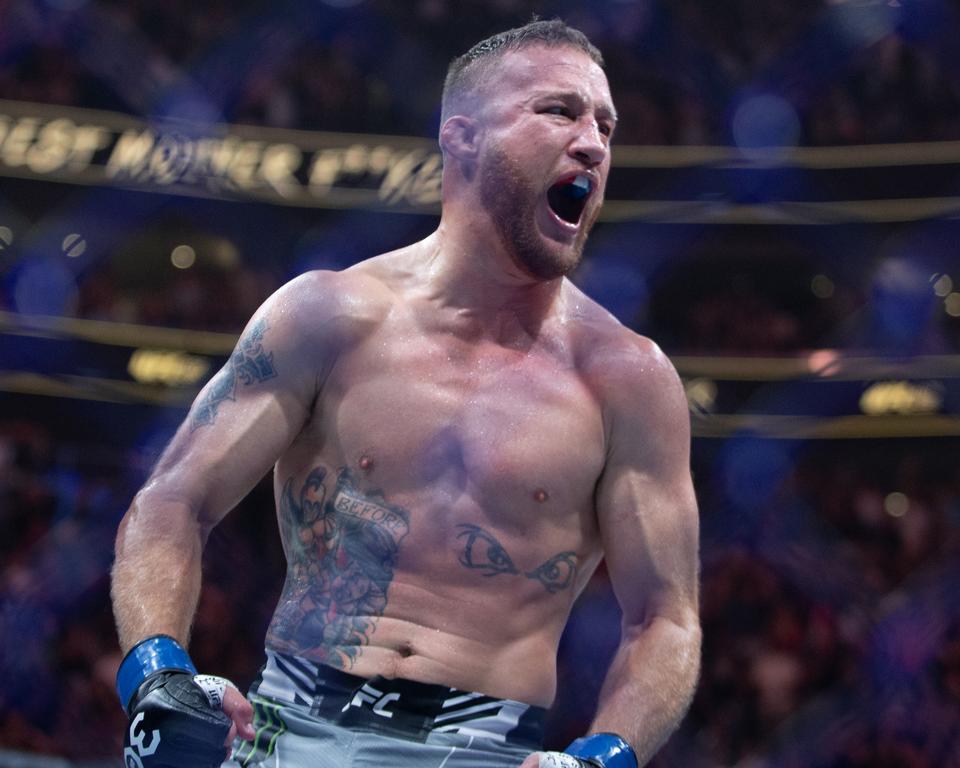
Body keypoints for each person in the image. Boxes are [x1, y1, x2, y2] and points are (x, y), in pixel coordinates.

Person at [110, 18, 701, 768]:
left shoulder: (627, 379)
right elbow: (172, 501)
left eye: (607, 126)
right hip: (284, 728)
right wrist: (157, 671)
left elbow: (665, 619)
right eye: (560, 110)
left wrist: (604, 757)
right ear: (462, 137)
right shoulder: (327, 317)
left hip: (484, 748)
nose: (593, 142)